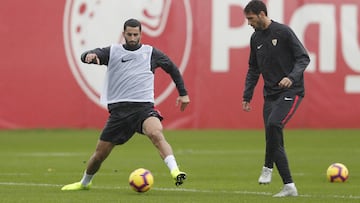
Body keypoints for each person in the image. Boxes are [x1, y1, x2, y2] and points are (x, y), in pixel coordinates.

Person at [61, 18, 190, 191]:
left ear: (141, 35)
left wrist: (183, 94)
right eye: (129, 34)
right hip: (119, 113)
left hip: (143, 109)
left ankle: (175, 171)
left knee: (156, 133)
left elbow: (172, 69)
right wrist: (89, 56)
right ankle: (85, 182)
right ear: (123, 34)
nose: (132, 37)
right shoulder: (113, 51)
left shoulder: (151, 53)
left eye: (135, 34)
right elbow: (88, 55)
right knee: (100, 154)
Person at [242, 0, 310, 197]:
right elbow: (253, 69)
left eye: (251, 18)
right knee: (273, 137)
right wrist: (247, 95)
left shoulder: (283, 32)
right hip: (270, 95)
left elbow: (303, 57)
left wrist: (291, 77)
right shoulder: (255, 39)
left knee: (273, 125)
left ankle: (267, 166)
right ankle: (289, 185)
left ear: (262, 14)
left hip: (292, 91)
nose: (249, 23)